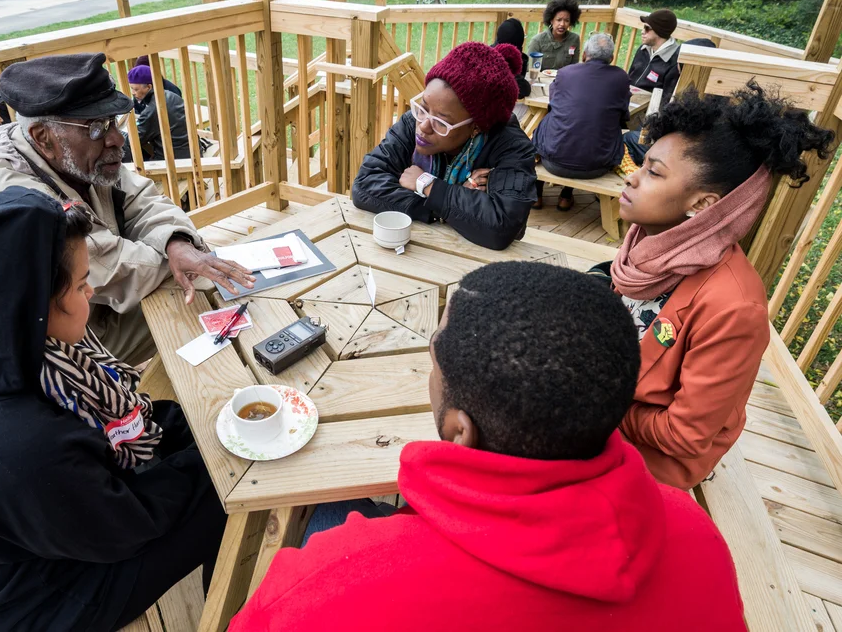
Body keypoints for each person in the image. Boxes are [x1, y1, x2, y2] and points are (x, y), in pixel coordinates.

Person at [230, 261, 747, 631]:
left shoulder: (332, 582)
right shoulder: (699, 535)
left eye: (434, 356)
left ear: (459, 431)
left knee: (329, 507)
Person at [0, 188, 226, 632]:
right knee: (223, 493)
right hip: (19, 608)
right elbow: (126, 527)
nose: (91, 289)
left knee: (192, 433)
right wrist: (213, 460)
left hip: (20, 542)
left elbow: (122, 423)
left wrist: (202, 429)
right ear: (29, 305)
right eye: (80, 282)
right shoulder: (18, 443)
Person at [607, 82, 835, 489]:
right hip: (612, 397)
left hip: (652, 454)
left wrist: (595, 400)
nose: (631, 178)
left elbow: (685, 434)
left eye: (652, 172)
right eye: (642, 164)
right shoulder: (648, 245)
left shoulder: (733, 306)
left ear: (703, 205)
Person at [0, 52, 253, 365]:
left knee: (202, 280)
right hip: (62, 348)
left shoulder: (76, 159)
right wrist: (178, 256)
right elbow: (112, 268)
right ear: (43, 137)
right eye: (96, 127)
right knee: (203, 296)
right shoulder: (21, 202)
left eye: (115, 122)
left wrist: (175, 241)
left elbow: (142, 200)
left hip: (96, 308)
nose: (117, 138)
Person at [351, 42, 536, 251]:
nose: (423, 126)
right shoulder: (413, 122)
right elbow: (365, 185)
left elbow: (502, 227)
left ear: (476, 127)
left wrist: (426, 184)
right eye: (423, 107)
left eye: (442, 121)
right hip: (415, 251)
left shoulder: (512, 147)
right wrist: (448, 204)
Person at [533, 33, 630, 211]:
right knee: (594, 127)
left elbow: (553, 104)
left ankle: (536, 194)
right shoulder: (621, 78)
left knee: (547, 122)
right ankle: (565, 196)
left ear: (584, 55)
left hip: (553, 161)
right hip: (599, 165)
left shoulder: (565, 73)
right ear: (612, 58)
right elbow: (624, 116)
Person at [623, 38, 717, 167]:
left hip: (679, 152)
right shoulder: (718, 86)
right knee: (638, 128)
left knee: (627, 138)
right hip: (695, 148)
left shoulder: (690, 93)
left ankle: (640, 173)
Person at [125, 64, 192, 161]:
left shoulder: (153, 109)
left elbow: (133, 140)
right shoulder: (171, 95)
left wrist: (120, 133)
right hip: (192, 152)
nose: (133, 93)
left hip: (173, 161)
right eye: (131, 88)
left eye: (135, 89)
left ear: (149, 87)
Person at [628, 9, 681, 102]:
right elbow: (630, 77)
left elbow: (666, 100)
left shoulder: (674, 61)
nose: (642, 31)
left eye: (647, 28)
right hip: (627, 100)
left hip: (648, 109)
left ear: (660, 31)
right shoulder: (643, 49)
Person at [527, 0, 582, 71]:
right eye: (559, 20)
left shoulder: (574, 39)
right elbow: (530, 69)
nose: (562, 24)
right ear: (551, 20)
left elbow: (574, 67)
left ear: (570, 22)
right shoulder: (537, 41)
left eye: (566, 20)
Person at [493, 17, 530, 121]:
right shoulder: (505, 60)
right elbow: (524, 89)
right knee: (527, 109)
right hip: (494, 115)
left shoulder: (488, 52)